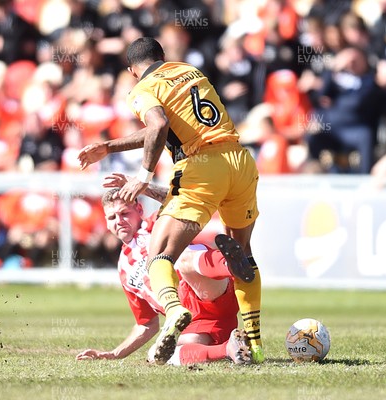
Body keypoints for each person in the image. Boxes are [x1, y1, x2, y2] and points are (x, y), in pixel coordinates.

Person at [77, 37, 263, 364]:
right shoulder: (189, 71)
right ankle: (254, 344)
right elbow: (160, 129)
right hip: (239, 159)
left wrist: (143, 176)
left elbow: (158, 124)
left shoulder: (142, 88)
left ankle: (175, 310)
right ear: (161, 57)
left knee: (159, 254)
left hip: (202, 164)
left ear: (133, 71)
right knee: (244, 256)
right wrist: (109, 147)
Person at [76, 186, 252, 366]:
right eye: (112, 217)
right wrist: (113, 354)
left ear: (139, 210)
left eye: (124, 213)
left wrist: (143, 186)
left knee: (182, 260)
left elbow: (182, 201)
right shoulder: (123, 270)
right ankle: (229, 348)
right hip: (197, 323)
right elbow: (146, 324)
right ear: (105, 221)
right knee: (156, 354)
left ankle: (232, 265)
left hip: (209, 292)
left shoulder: (155, 224)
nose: (119, 221)